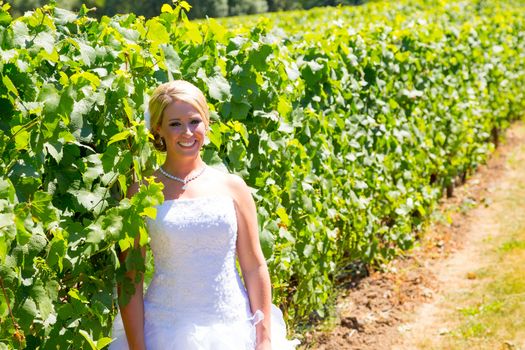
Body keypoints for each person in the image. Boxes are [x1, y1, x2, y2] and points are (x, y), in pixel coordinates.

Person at [109, 80, 299, 349]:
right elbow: (131, 278)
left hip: (233, 328)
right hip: (164, 331)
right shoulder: (140, 192)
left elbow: (254, 267)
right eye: (175, 124)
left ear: (206, 124)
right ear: (158, 129)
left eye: (194, 121)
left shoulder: (233, 188)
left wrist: (264, 339)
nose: (187, 132)